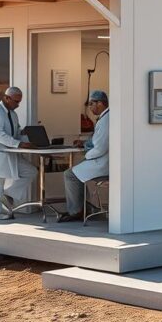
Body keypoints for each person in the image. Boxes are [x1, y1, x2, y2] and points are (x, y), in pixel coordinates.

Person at [0, 87, 37, 220]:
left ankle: (9, 195)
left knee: (31, 171)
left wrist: (25, 135)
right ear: (6, 98)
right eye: (16, 101)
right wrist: (19, 144)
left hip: (11, 153)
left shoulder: (13, 114)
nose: (17, 105)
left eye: (19, 102)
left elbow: (15, 132)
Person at [58, 90, 110, 223]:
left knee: (70, 175)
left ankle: (76, 211)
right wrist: (86, 143)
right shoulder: (105, 118)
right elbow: (97, 140)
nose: (90, 108)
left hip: (102, 162)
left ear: (100, 103)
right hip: (102, 160)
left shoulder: (105, 121)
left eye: (91, 104)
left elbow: (100, 148)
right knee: (78, 173)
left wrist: (87, 155)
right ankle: (83, 208)